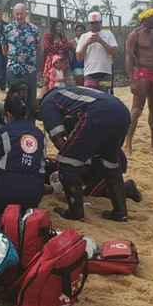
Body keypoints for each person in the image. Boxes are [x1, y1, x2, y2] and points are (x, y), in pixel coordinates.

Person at [40, 86, 131, 222]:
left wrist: (76, 162)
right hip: (121, 111)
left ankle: (75, 212)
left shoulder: (46, 104)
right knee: (110, 163)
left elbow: (59, 140)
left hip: (98, 113)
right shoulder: (67, 94)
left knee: (66, 163)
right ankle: (120, 212)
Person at [0, 87, 46, 217]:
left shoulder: (3, 132)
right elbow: (41, 163)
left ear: (8, 114)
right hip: (34, 194)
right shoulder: (39, 134)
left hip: (5, 190)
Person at [125, 8, 153, 154]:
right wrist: (132, 80)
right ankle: (128, 142)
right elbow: (129, 57)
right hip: (142, 73)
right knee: (136, 109)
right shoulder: (134, 35)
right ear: (146, 20)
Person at [3, 3, 41, 114]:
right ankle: (14, 125)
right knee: (13, 99)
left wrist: (37, 67)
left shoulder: (34, 29)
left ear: (26, 13)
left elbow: (39, 48)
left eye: (21, 14)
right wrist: (13, 58)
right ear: (14, 14)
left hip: (30, 69)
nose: (19, 16)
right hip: (13, 69)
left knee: (30, 99)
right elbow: (4, 48)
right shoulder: (7, 28)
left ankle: (29, 125)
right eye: (17, 14)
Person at [76, 11, 118, 93]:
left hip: (105, 73)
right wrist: (87, 43)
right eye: (92, 23)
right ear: (89, 24)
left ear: (101, 23)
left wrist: (101, 41)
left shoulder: (108, 34)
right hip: (89, 74)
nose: (94, 25)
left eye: (96, 23)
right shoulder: (84, 37)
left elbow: (114, 52)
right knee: (91, 98)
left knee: (105, 97)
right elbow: (79, 58)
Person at [41, 19, 74, 95]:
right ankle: (45, 100)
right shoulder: (47, 36)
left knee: (65, 82)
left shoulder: (63, 37)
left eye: (61, 26)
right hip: (51, 64)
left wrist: (59, 47)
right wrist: (62, 47)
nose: (59, 28)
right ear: (54, 26)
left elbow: (68, 47)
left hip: (63, 64)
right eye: (58, 26)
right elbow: (47, 47)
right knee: (48, 82)